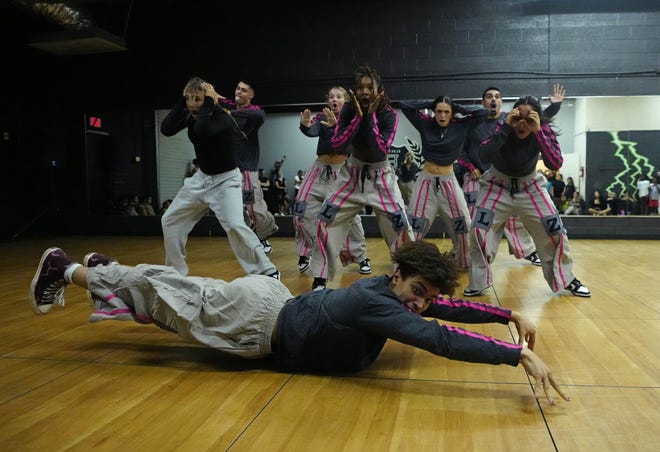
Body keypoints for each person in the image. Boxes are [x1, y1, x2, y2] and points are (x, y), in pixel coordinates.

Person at [28, 241, 571, 406]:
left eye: (426, 297)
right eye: (418, 292)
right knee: (169, 298)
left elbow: (444, 312)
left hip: (271, 305)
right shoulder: (377, 304)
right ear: (399, 275)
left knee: (168, 303)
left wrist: (508, 314)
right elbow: (438, 338)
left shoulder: (393, 294)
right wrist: (515, 354)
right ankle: (69, 268)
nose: (421, 305)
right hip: (252, 320)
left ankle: (107, 274)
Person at [464, 95, 590, 298]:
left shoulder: (542, 130)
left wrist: (538, 131)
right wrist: (506, 128)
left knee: (554, 229)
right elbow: (483, 155)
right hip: (496, 185)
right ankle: (478, 281)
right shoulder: (502, 126)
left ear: (537, 118)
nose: (522, 124)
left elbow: (555, 163)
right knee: (479, 230)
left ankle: (566, 278)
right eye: (519, 117)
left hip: (529, 185)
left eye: (529, 118)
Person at [160, 77, 279, 279]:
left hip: (226, 181)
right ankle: (175, 272)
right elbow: (166, 129)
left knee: (234, 224)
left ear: (207, 100)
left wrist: (208, 102)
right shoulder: (192, 114)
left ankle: (266, 270)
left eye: (197, 99)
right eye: (188, 99)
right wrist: (182, 102)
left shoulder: (223, 117)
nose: (192, 104)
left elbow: (203, 131)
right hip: (201, 180)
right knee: (170, 220)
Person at [310, 66, 413, 290]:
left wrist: (369, 118)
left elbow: (380, 150)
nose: (365, 92)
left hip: (381, 176)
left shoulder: (389, 115)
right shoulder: (348, 110)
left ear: (379, 90)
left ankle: (408, 274)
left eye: (369, 87)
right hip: (351, 174)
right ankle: (319, 279)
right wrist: (358, 118)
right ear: (354, 91)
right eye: (360, 88)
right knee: (326, 219)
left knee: (401, 225)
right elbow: (337, 144)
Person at [457, 85, 565, 268]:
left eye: (497, 97)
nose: (493, 100)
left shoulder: (509, 119)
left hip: (520, 180)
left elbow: (535, 116)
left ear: (501, 102)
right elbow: (463, 150)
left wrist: (554, 106)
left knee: (516, 219)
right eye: (489, 96)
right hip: (482, 177)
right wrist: (470, 167)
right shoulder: (475, 123)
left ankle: (527, 251)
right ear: (483, 102)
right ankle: (470, 260)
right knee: (477, 222)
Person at [398, 95, 490, 270]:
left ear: (451, 113)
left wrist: (457, 108)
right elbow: (405, 103)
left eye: (446, 112)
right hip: (425, 180)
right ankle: (406, 264)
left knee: (463, 223)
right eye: (439, 111)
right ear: (434, 112)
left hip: (449, 181)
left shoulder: (461, 125)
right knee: (414, 223)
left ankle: (463, 262)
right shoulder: (425, 123)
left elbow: (483, 112)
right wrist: (430, 103)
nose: (442, 115)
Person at [293, 86, 370, 274]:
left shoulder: (353, 120)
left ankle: (359, 256)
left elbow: (350, 141)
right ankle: (306, 253)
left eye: (339, 96)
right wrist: (305, 125)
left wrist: (337, 125)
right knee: (301, 209)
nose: (334, 99)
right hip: (318, 170)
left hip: (342, 173)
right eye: (331, 96)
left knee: (349, 217)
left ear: (346, 100)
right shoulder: (322, 117)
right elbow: (312, 131)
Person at [217, 79, 278, 255]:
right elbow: (219, 100)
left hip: (247, 169)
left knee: (253, 206)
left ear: (251, 95)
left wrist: (230, 112)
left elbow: (259, 116)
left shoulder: (254, 112)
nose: (239, 92)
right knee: (233, 208)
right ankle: (251, 234)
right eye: (237, 88)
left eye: (244, 90)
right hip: (228, 169)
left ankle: (264, 234)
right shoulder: (229, 107)